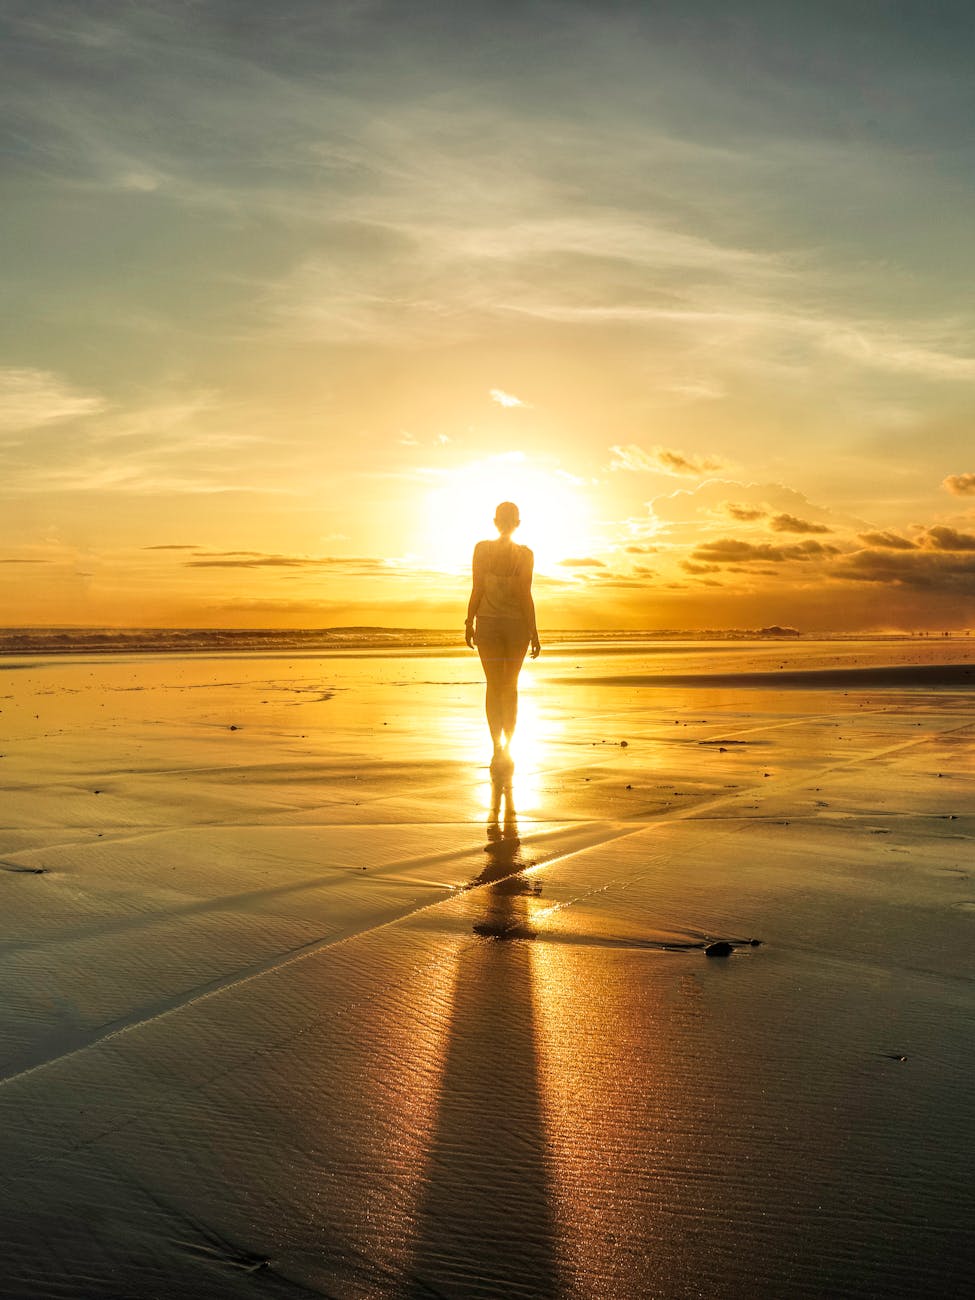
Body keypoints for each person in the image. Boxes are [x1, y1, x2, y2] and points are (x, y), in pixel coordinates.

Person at [465, 501, 540, 760]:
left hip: (489, 623)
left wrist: (469, 620)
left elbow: (478, 588)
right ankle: (506, 742)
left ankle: (498, 742)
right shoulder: (525, 554)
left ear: (496, 521)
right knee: (509, 685)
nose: (506, 524)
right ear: (516, 523)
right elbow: (524, 594)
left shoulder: (482, 550)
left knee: (495, 685)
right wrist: (534, 631)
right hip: (515, 626)